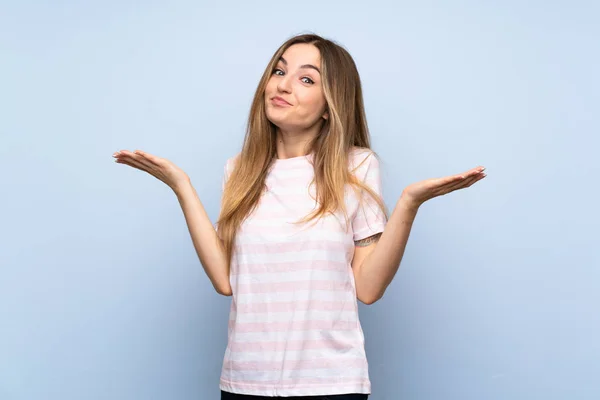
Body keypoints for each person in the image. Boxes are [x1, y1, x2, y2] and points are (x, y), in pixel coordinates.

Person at [112, 33, 486, 400]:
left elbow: (368, 289)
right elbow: (226, 280)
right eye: (279, 71)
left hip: (331, 384)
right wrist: (182, 186)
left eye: (306, 79)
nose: (284, 85)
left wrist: (409, 203)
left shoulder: (355, 166)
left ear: (329, 105)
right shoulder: (238, 171)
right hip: (245, 381)